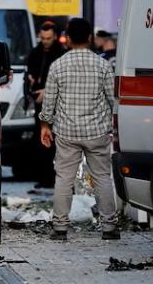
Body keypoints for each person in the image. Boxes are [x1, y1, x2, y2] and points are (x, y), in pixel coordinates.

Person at [39, 18, 119, 241]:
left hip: (67, 132)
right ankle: (109, 227)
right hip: (97, 132)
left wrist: (45, 125)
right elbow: (112, 100)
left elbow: (50, 102)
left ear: (68, 39)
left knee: (64, 178)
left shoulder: (58, 65)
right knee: (102, 177)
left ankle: (60, 227)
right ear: (90, 39)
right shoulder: (103, 65)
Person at [25, 21, 65, 187]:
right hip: (39, 102)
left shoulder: (60, 54)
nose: (45, 41)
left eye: (48, 38)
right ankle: (43, 176)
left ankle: (52, 176)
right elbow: (30, 74)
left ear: (54, 37)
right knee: (40, 139)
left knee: (55, 140)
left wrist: (46, 92)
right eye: (43, 38)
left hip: (56, 104)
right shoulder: (36, 52)